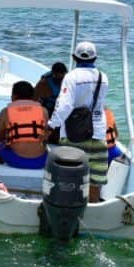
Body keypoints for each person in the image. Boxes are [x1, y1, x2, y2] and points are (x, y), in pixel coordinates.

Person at [47, 41, 109, 202]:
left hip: (74, 134)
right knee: (96, 180)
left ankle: (70, 209)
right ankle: (93, 208)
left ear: (74, 57)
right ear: (95, 58)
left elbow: (65, 106)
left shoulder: (71, 77)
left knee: (70, 178)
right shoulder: (103, 77)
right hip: (98, 133)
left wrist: (51, 125)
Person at [0, 81, 49, 169]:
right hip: (40, 160)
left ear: (14, 96)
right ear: (32, 96)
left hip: (17, 160)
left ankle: (0, 162)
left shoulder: (6, 111)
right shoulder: (44, 111)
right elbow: (45, 137)